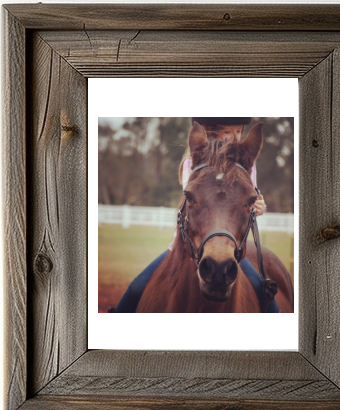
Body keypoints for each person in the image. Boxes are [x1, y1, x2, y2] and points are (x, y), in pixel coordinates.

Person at [115, 117, 279, 313]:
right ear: (212, 131)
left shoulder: (245, 164)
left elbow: (249, 200)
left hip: (231, 246)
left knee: (265, 295)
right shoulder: (193, 163)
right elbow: (193, 201)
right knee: (136, 288)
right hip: (189, 244)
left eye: (239, 131)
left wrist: (259, 206)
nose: (235, 137)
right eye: (228, 131)